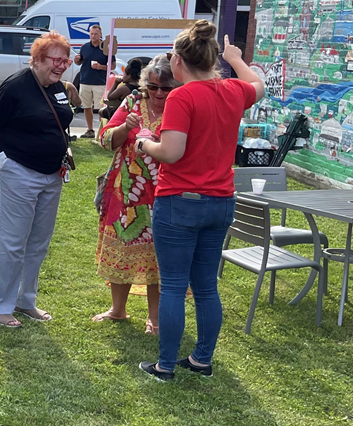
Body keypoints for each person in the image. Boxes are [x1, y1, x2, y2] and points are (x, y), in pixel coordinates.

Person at [135, 23, 264, 381]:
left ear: (177, 60)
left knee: (175, 284)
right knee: (206, 285)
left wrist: (144, 141)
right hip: (221, 202)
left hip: (180, 201)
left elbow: (171, 153)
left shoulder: (182, 96)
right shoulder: (234, 90)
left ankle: (164, 365)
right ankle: (201, 359)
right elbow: (259, 85)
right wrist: (236, 59)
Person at [0, 32, 74, 328]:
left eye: (65, 61)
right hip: (18, 172)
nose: (61, 66)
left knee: (39, 242)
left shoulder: (56, 87)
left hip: (51, 174)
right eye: (56, 60)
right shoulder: (17, 85)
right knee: (12, 242)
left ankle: (24, 300)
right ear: (38, 60)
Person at [91, 55, 180, 334]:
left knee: (159, 255)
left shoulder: (180, 107)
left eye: (166, 88)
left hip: (164, 192)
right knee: (121, 248)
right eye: (153, 87)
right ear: (145, 85)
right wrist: (124, 127)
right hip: (125, 191)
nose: (159, 93)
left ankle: (155, 317)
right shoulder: (132, 103)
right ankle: (118, 309)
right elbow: (104, 139)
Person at [74, 24, 110, 138]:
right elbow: (80, 62)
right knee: (86, 106)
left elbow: (112, 66)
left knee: (101, 108)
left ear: (100, 35)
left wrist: (101, 67)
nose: (93, 36)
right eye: (91, 34)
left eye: (95, 34)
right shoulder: (85, 47)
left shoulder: (105, 48)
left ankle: (102, 131)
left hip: (100, 82)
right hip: (85, 80)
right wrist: (77, 60)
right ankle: (90, 130)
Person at [100, 57, 147, 122]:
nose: (123, 76)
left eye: (124, 74)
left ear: (129, 76)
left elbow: (110, 97)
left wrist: (115, 83)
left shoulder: (124, 88)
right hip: (137, 112)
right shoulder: (141, 86)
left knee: (101, 111)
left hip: (122, 113)